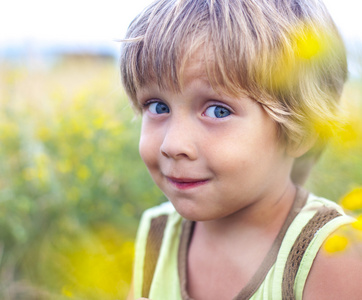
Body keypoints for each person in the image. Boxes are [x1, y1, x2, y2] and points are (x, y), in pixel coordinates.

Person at [120, 0, 362, 299]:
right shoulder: (157, 233)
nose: (173, 145)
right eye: (158, 107)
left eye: (218, 111)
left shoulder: (333, 255)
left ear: (301, 131)